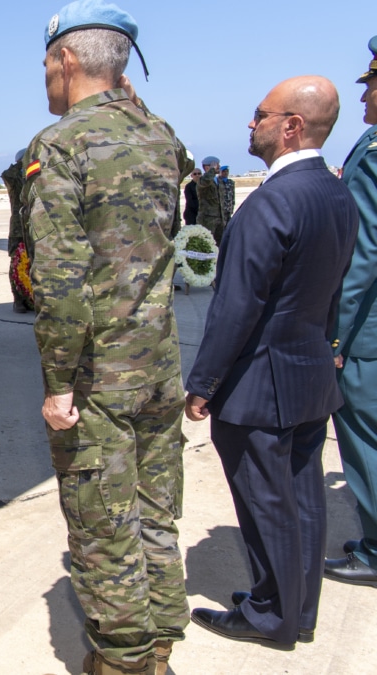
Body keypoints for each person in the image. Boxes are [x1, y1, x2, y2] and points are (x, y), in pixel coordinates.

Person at [23, 3, 193, 673]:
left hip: (101, 372)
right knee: (156, 502)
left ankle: (124, 658)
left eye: (46, 65)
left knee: (101, 521)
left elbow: (62, 283)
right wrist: (133, 104)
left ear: (67, 60)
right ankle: (160, 632)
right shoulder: (161, 137)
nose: (44, 79)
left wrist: (59, 382)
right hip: (160, 361)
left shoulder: (60, 144)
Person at [185, 76, 358, 649]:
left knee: (265, 505)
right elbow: (334, 290)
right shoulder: (336, 193)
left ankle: (271, 615)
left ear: (292, 127)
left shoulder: (270, 204)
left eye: (260, 115)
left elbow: (235, 308)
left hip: (260, 382)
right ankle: (297, 610)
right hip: (309, 374)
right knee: (303, 501)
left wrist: (204, 381)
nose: (250, 124)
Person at [324, 35, 377, 587]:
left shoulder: (375, 150)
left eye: (372, 87)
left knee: (365, 440)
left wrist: (334, 337)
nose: (364, 99)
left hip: (368, 333)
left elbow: (362, 255)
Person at [2, 149, 33, 314]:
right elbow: (7, 174)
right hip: (18, 228)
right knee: (17, 264)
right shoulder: (13, 179)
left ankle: (33, 299)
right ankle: (18, 300)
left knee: (35, 264)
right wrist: (22, 162)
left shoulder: (34, 177)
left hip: (35, 226)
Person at [196, 156, 226, 244]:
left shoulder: (218, 181)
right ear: (207, 167)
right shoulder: (202, 180)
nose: (219, 167)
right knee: (207, 245)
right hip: (207, 220)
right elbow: (206, 181)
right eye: (216, 165)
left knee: (220, 246)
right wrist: (212, 170)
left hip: (220, 219)